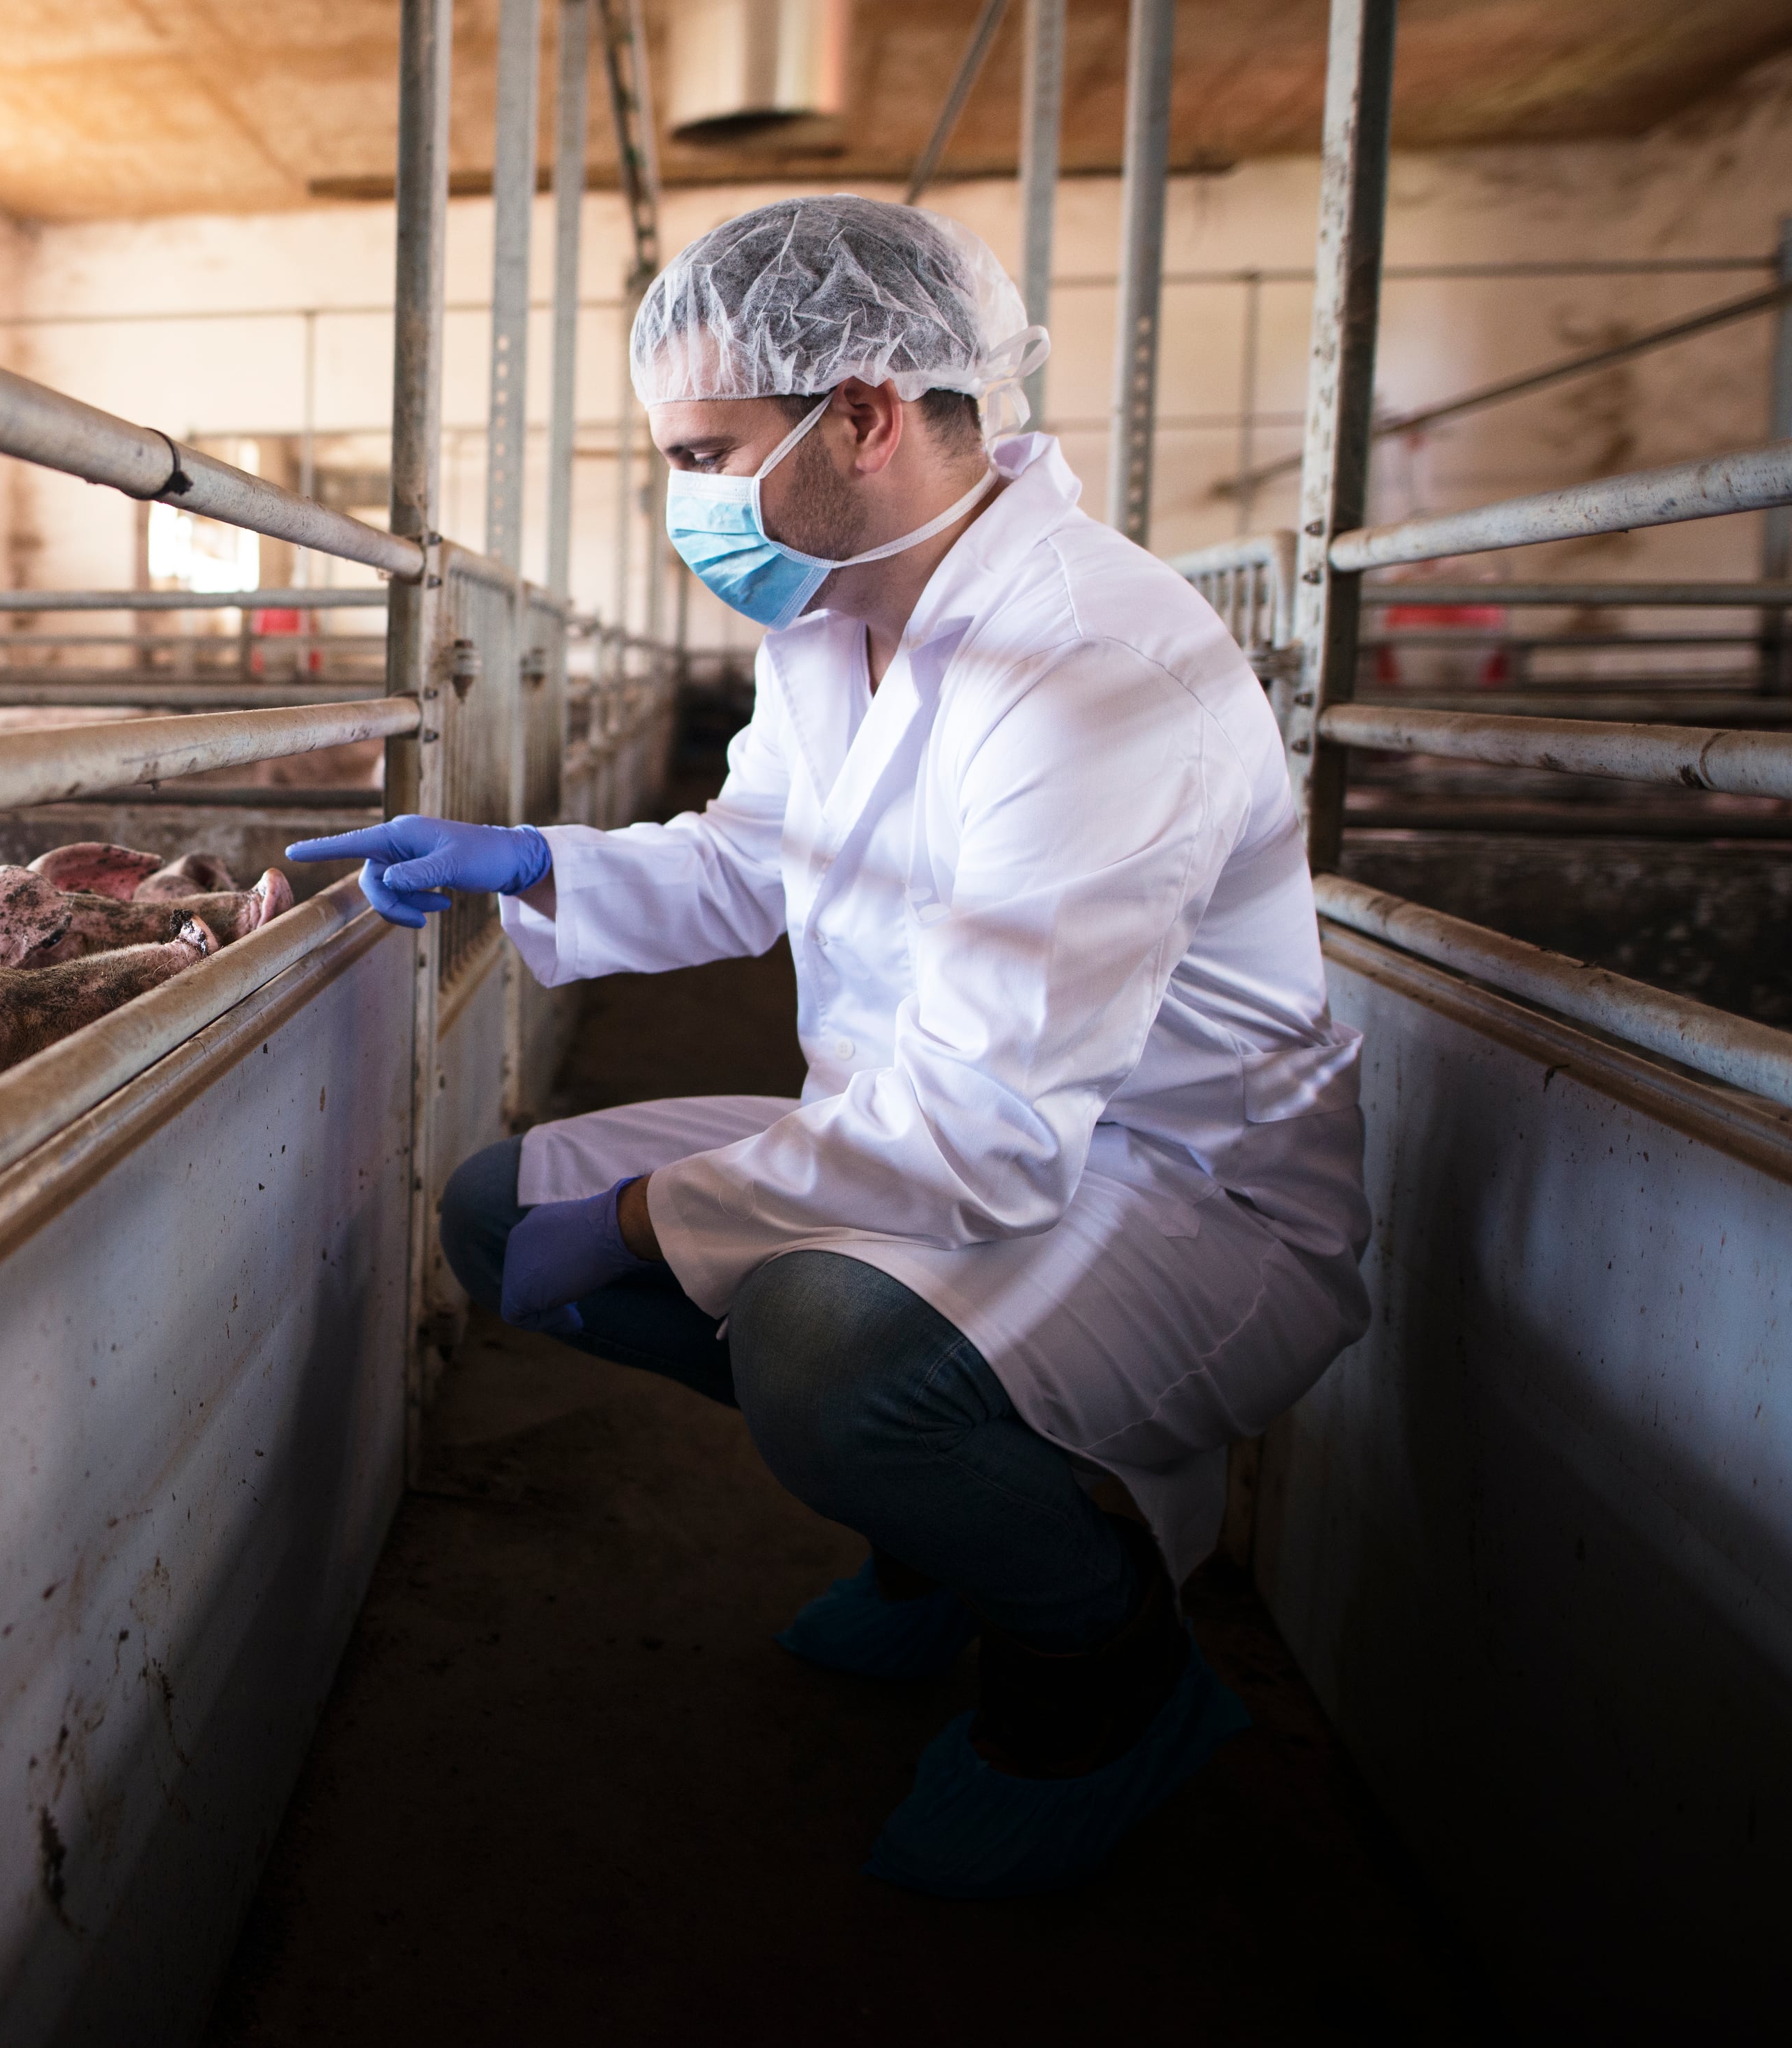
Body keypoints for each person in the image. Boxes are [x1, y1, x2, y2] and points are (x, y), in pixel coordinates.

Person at [289, 194, 1369, 1899]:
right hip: (920, 1128)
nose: (686, 503)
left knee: (816, 1341)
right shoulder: (828, 611)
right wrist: (536, 856)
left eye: (708, 449)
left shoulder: (1094, 667)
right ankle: (939, 1536)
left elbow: (990, 1133)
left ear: (864, 411)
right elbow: (756, 858)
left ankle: (1100, 1677)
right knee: (505, 1212)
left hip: (1166, 1191)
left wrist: (660, 1220)